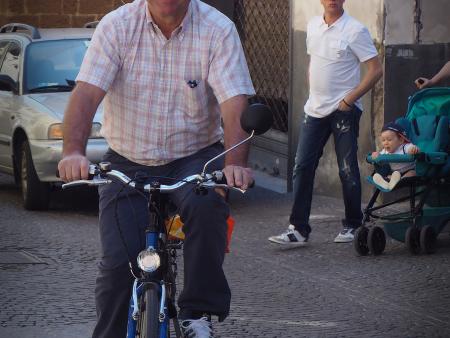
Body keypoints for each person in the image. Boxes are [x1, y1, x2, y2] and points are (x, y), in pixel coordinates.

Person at [57, 0, 255, 337]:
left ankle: (197, 314)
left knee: (208, 206)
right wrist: (73, 152)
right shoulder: (117, 26)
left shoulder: (217, 29)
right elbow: (87, 93)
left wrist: (235, 164)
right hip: (127, 159)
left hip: (194, 156)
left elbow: (234, 101)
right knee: (119, 267)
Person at [268, 0, 382, 246]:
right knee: (302, 166)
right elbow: (314, 62)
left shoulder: (355, 29)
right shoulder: (312, 26)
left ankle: (353, 224)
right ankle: (298, 229)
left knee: (347, 169)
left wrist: (348, 100)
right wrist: (313, 92)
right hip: (314, 110)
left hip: (344, 112)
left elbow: (375, 70)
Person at [370, 122, 420, 191]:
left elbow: (411, 148)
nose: (386, 143)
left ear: (401, 140)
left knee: (413, 173)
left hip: (408, 171)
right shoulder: (385, 151)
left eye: (389, 140)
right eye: (383, 140)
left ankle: (397, 181)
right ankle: (386, 183)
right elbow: (379, 157)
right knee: (391, 174)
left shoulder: (404, 147)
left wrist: (413, 149)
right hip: (394, 173)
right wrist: (376, 155)